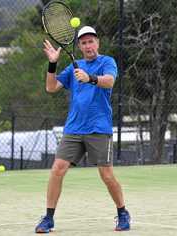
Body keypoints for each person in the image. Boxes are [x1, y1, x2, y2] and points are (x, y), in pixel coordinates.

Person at [35, 26, 131, 233]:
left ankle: (122, 212)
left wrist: (91, 78)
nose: (88, 46)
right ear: (79, 46)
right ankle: (49, 218)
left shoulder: (107, 62)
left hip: (99, 128)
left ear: (98, 43)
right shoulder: (73, 67)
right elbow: (51, 88)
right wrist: (52, 64)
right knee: (57, 169)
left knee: (106, 175)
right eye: (84, 42)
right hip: (74, 129)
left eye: (91, 41)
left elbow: (110, 81)